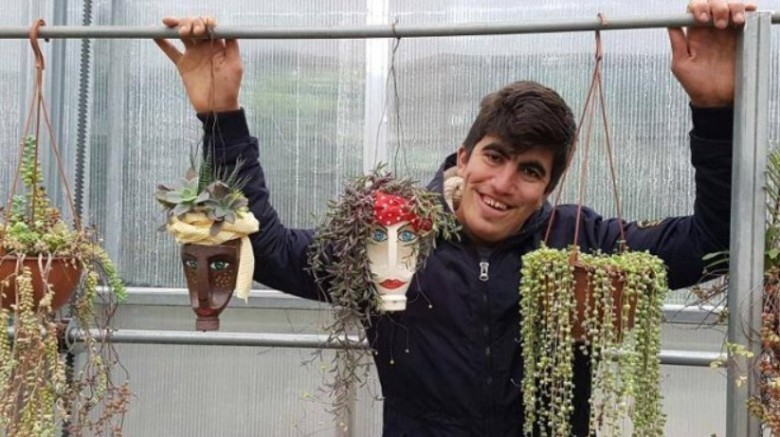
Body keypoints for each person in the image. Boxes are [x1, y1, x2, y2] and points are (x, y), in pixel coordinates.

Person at [155, 0, 753, 434]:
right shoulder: (392, 234)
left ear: (550, 184)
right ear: (464, 157)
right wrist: (221, 115)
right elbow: (273, 252)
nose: (503, 184)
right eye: (494, 157)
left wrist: (715, 109)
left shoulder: (579, 242)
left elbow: (713, 244)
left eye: (530, 170)